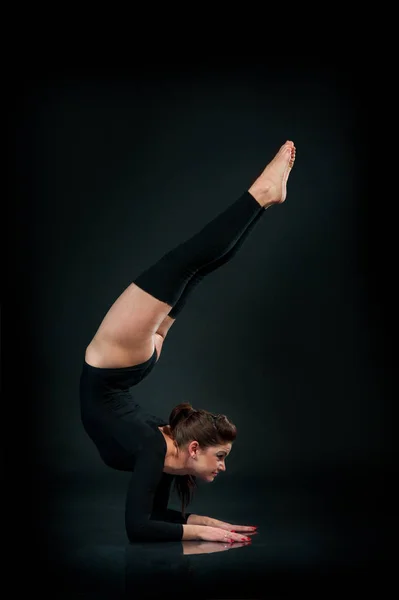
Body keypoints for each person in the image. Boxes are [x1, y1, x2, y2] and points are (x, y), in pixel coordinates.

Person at [79, 140, 296, 544]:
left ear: (193, 447)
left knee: (188, 263)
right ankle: (265, 199)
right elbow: (152, 521)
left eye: (221, 457)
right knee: (195, 267)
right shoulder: (163, 451)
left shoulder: (156, 451)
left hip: (113, 363)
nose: (223, 467)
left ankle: (264, 195)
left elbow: (141, 526)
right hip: (127, 365)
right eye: (222, 457)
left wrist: (209, 530)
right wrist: (207, 529)